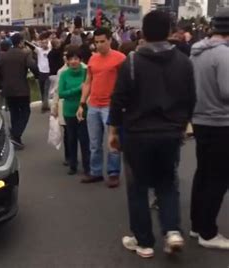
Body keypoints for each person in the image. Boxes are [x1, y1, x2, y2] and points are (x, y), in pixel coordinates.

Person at [108, 10, 196, 258]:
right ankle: (172, 230)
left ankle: (144, 241)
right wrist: (181, 125)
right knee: (167, 184)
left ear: (143, 32)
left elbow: (118, 100)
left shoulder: (133, 61)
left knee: (138, 188)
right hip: (170, 134)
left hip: (138, 134)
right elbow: (191, 100)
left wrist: (113, 132)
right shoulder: (183, 62)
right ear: (170, 32)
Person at [189, 8, 229, 250]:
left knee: (203, 174)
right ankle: (208, 231)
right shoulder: (224, 55)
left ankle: (197, 224)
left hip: (201, 119)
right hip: (221, 122)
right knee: (218, 178)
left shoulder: (197, 52)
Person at [76, 27, 126, 187]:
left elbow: (126, 84)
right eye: (96, 42)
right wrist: (82, 104)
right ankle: (95, 172)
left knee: (112, 141)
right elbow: (88, 82)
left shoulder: (120, 58)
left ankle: (113, 173)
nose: (99, 45)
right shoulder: (92, 59)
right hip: (94, 105)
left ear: (110, 40)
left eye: (102, 41)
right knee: (94, 142)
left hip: (111, 106)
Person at [0, 34, 39, 150]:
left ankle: (17, 139)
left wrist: (2, 80)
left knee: (14, 112)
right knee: (25, 112)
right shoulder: (25, 55)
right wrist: (36, 75)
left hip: (8, 90)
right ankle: (16, 134)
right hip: (22, 89)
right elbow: (32, 66)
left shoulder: (4, 56)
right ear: (21, 42)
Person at [58, 47, 90, 176]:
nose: (73, 61)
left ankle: (88, 166)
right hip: (69, 111)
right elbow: (61, 93)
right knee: (71, 139)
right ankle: (73, 165)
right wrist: (78, 89)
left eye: (76, 59)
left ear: (80, 60)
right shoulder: (64, 74)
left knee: (84, 139)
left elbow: (89, 89)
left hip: (84, 110)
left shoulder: (86, 72)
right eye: (71, 59)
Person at [25, 34, 52, 112]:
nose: (44, 44)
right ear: (40, 44)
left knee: (46, 90)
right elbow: (31, 46)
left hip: (48, 72)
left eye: (45, 43)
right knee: (41, 90)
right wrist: (25, 41)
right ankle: (43, 103)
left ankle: (45, 106)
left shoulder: (50, 51)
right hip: (41, 73)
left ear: (47, 43)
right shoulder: (39, 50)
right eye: (42, 43)